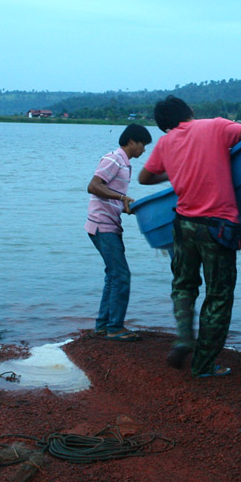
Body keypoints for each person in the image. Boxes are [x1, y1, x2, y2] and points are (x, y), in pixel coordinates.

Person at [138, 96, 241, 378]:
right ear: (190, 111)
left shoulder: (165, 143)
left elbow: (143, 178)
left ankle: (182, 337)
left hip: (184, 225)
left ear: (163, 125)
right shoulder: (215, 126)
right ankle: (203, 364)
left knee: (183, 286)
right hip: (218, 226)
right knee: (219, 295)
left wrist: (175, 172)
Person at [85, 123, 152, 341]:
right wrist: (122, 198)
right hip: (102, 225)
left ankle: (103, 325)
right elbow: (93, 186)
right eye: (143, 145)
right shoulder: (114, 159)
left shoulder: (124, 163)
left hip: (108, 223)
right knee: (121, 275)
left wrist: (124, 206)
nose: (143, 150)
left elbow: (108, 192)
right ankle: (115, 328)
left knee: (113, 275)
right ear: (132, 141)